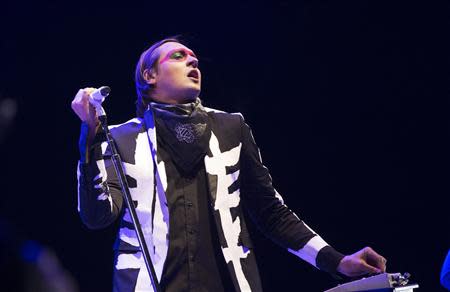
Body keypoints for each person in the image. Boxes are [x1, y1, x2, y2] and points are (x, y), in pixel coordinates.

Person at [71, 36, 387, 292]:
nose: (193, 61)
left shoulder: (230, 129)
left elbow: (271, 213)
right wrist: (91, 138)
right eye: (178, 56)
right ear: (149, 75)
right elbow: (96, 217)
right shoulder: (119, 139)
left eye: (193, 57)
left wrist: (337, 261)